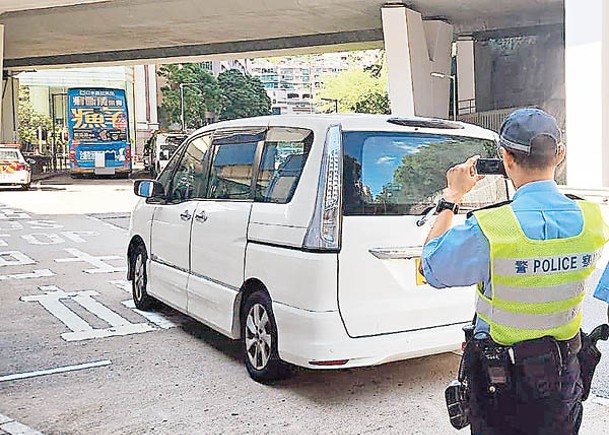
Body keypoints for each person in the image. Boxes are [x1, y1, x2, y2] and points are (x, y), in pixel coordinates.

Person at [421, 108, 609, 434]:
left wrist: (452, 196)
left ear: (506, 158)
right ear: (560, 155)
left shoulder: (492, 228)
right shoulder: (592, 219)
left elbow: (431, 267)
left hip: (501, 386)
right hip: (564, 380)